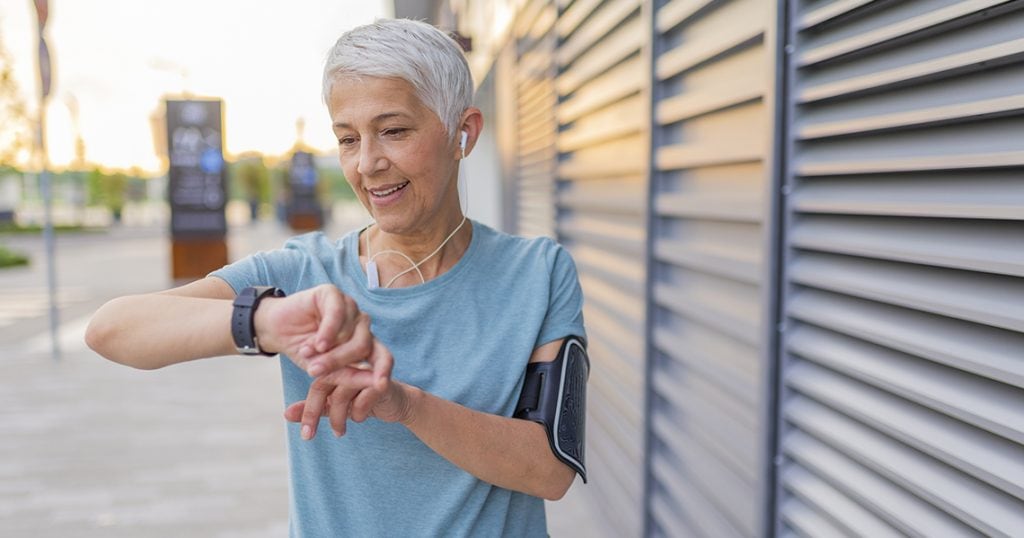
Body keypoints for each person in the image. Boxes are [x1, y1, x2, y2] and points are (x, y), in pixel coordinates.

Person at [86, 18, 588, 537]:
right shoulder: (301, 272)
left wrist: (404, 404)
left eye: (393, 131)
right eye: (348, 139)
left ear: (465, 132)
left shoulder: (538, 272)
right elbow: (111, 329)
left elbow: (549, 472)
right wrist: (267, 320)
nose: (367, 163)